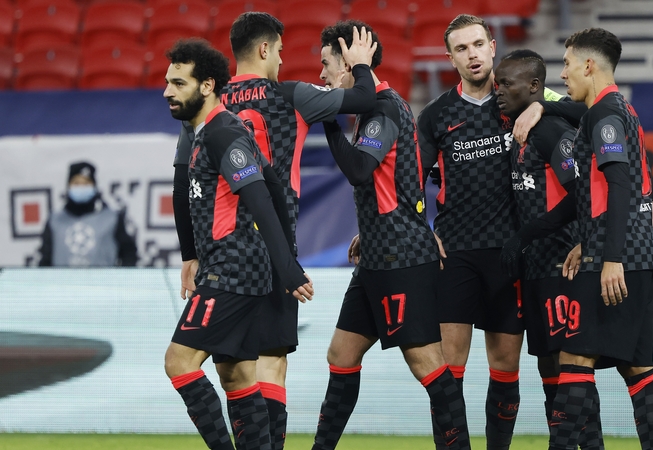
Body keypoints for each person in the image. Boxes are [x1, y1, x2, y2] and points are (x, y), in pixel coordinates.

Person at [171, 12, 379, 449]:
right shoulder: (294, 95)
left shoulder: (207, 104)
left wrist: (189, 253)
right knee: (268, 367)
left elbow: (180, 184)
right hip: (273, 247)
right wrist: (360, 63)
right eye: (281, 52)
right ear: (265, 49)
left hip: (221, 247)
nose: (282, 61)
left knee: (235, 369)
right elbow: (363, 99)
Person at [310, 20, 470, 450]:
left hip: (401, 260)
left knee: (429, 368)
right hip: (378, 256)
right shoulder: (375, 109)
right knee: (341, 356)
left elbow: (360, 171)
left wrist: (326, 118)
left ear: (349, 64)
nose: (322, 75)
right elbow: (399, 181)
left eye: (327, 64)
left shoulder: (382, 107)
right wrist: (375, 227)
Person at [510, 28, 653, 450]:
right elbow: (593, 194)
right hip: (630, 253)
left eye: (565, 64)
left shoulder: (604, 115)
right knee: (636, 367)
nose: (563, 74)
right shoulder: (617, 110)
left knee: (575, 359)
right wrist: (536, 234)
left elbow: (618, 185)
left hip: (618, 259)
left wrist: (610, 256)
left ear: (588, 65)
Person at [413, 14, 561, 450]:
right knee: (449, 369)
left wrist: (541, 105)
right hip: (455, 252)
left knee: (505, 366)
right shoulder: (437, 115)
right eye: (462, 48)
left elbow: (577, 106)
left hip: (510, 252)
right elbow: (412, 182)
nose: (472, 54)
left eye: (478, 44)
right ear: (450, 57)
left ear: (493, 46)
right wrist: (422, 228)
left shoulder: (520, 99)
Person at [162, 38, 313, 450]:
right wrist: (191, 255)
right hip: (230, 266)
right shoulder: (205, 133)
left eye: (178, 83)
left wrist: (287, 265)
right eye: (167, 82)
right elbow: (276, 189)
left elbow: (260, 198)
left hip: (233, 268)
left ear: (207, 85)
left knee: (179, 362)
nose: (168, 91)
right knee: (238, 376)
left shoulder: (223, 132)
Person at [494, 50, 603, 449]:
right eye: (497, 83)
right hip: (537, 270)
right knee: (549, 375)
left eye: (508, 84)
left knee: (571, 376)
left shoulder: (551, 129)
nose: (499, 91)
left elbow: (581, 192)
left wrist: (526, 237)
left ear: (535, 88)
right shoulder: (518, 134)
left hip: (563, 265)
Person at [39, 161, 137, 267]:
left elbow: (129, 253)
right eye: (76, 183)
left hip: (100, 282)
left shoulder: (111, 219)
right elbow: (45, 260)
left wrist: (120, 280)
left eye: (86, 184)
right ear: (68, 187)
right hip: (64, 283)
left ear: (94, 187)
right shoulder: (55, 221)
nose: (81, 188)